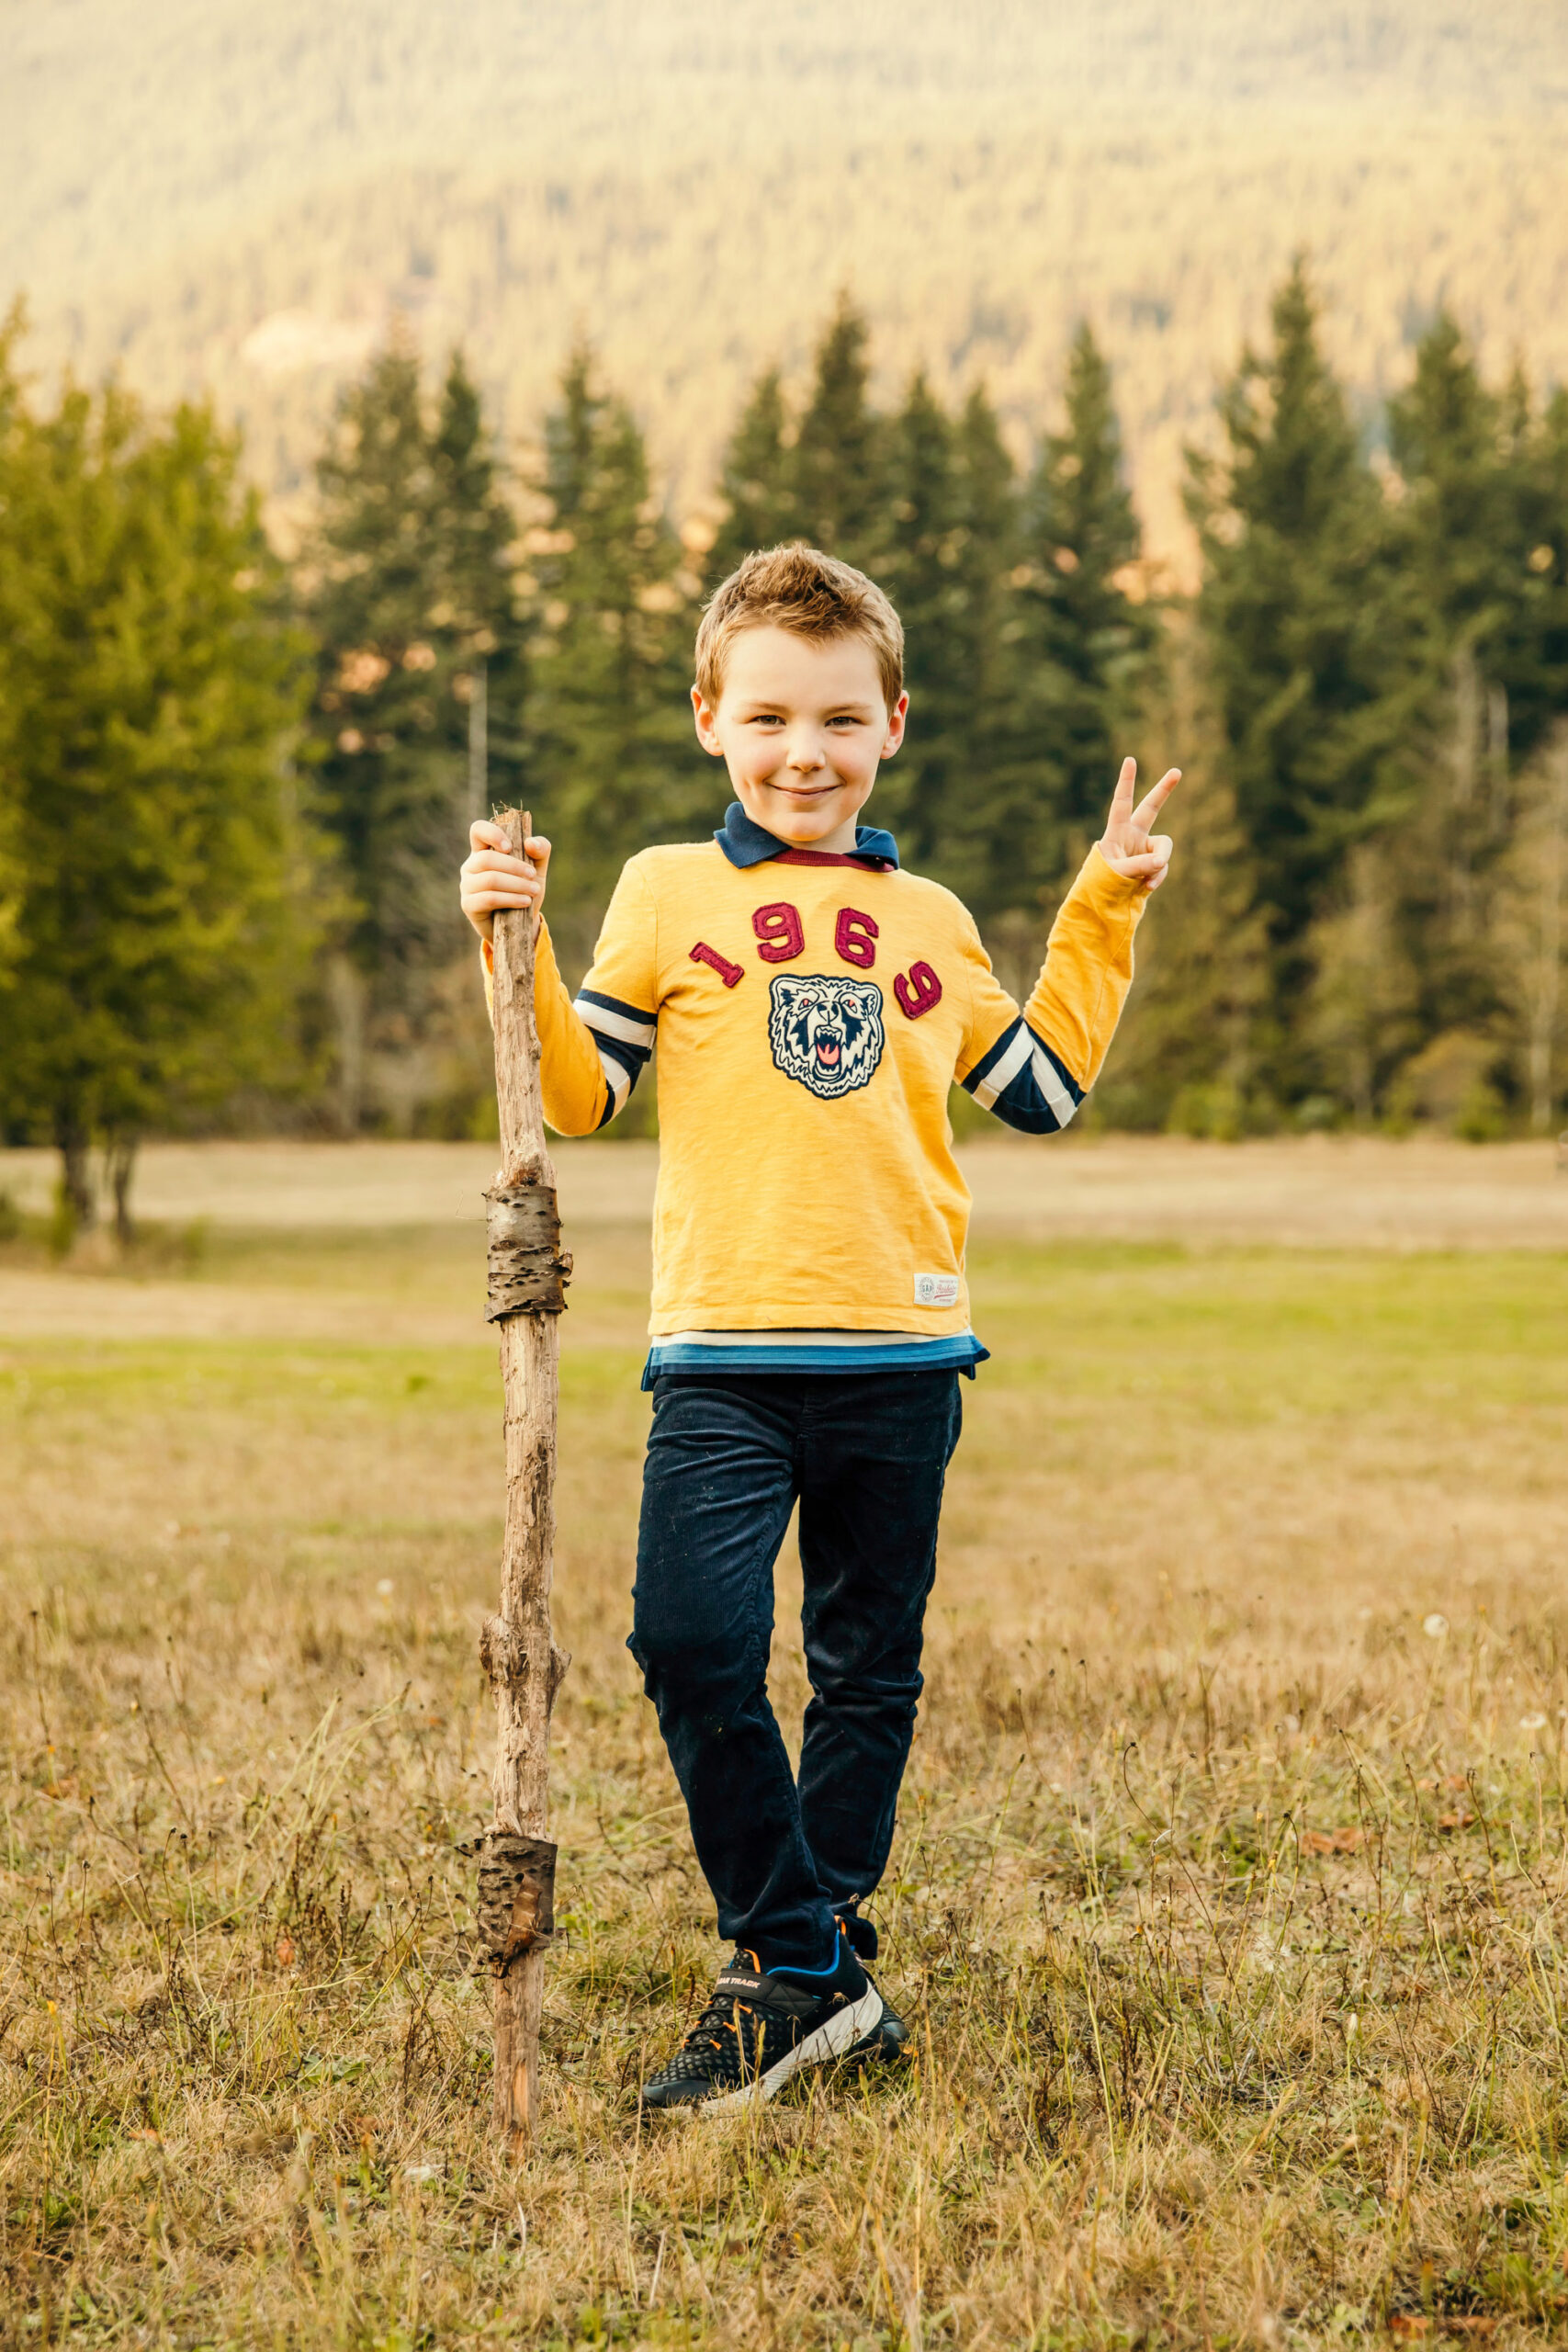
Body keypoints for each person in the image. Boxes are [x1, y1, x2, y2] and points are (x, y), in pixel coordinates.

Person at [459, 544, 1177, 2111]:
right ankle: (809, 1969)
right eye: (772, 715)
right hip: (719, 1353)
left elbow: (1043, 1091)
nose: (806, 751)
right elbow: (579, 1101)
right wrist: (509, 954)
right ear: (711, 714)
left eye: (842, 719)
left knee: (866, 1669)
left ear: (893, 727)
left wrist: (1101, 904)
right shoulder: (662, 893)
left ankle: (800, 1970)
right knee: (690, 1642)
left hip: (903, 1352)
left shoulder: (929, 919)